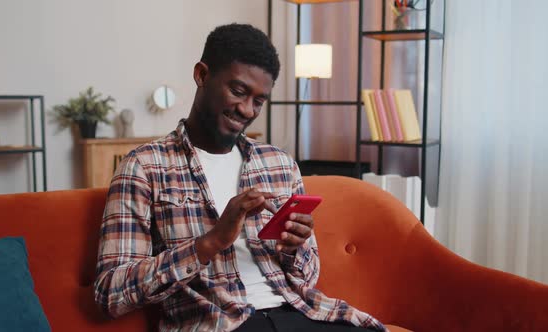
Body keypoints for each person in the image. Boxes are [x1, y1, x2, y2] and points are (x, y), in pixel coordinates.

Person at [94, 23, 386, 332]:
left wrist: (293, 248)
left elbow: (308, 278)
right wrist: (210, 242)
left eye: (258, 101)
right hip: (220, 323)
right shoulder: (144, 167)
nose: (247, 110)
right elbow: (110, 293)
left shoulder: (279, 164)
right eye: (238, 91)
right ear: (202, 75)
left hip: (298, 313)